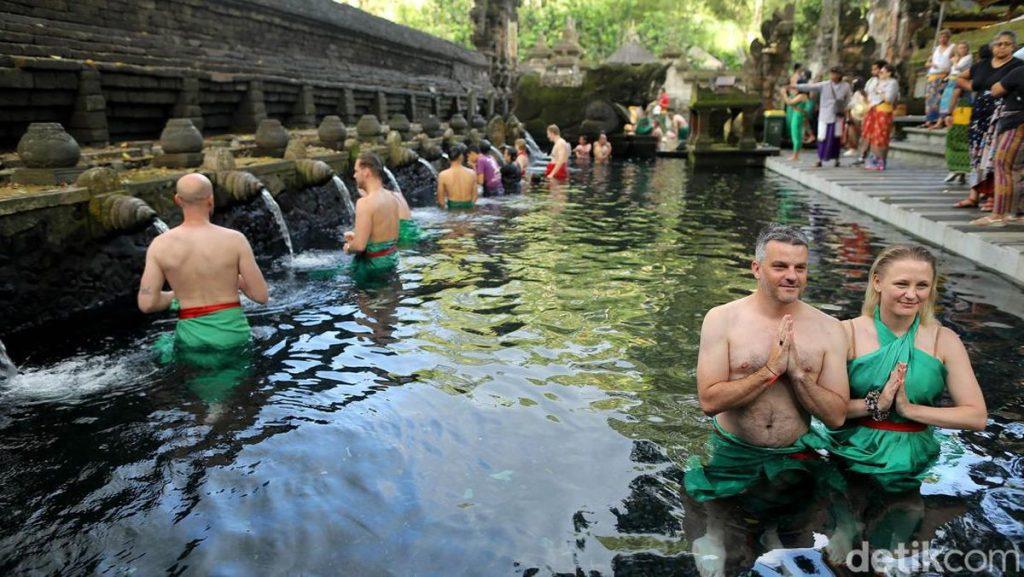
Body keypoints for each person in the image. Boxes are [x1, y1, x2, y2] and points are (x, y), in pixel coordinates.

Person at [828, 245, 986, 493]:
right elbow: (827, 410)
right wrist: (876, 404)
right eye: (902, 284)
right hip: (851, 451)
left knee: (905, 517)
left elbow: (976, 417)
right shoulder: (846, 333)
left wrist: (909, 409)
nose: (912, 295)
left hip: (916, 458)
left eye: (921, 286)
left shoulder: (944, 340)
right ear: (877, 282)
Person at [138, 173, 269, 369]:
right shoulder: (234, 239)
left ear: (177, 200)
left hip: (192, 339)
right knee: (239, 392)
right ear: (211, 199)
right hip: (232, 335)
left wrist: (178, 295)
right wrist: (233, 278)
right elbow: (260, 296)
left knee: (198, 390)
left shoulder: (160, 245)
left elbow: (147, 304)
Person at [954, 30, 1022, 210]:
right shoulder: (982, 65)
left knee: (993, 154)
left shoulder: (1016, 66)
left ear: (1013, 47)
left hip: (1000, 113)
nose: (1001, 47)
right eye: (998, 44)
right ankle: (973, 195)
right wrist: (972, 87)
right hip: (979, 113)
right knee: (976, 154)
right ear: (992, 47)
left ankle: (992, 196)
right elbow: (960, 77)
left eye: (1007, 44)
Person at [973, 61, 1024, 225]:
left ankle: (998, 214)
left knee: (1002, 166)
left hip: (1016, 123)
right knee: (1016, 169)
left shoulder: (1019, 72)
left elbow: (996, 90)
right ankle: (1014, 213)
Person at [344, 151, 400, 284]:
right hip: (392, 260)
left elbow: (359, 247)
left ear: (366, 172)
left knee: (368, 303)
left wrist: (348, 247)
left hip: (372, 267)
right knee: (389, 301)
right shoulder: (392, 198)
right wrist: (357, 236)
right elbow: (392, 237)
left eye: (356, 171)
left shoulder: (364, 203)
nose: (354, 175)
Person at [795, 66, 852, 167]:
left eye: (834, 74)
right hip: (825, 115)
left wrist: (846, 108)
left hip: (838, 115)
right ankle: (820, 159)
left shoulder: (846, 86)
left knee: (836, 138)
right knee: (822, 137)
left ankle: (836, 159)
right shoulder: (825, 85)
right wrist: (796, 86)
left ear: (839, 75)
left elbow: (848, 100)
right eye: (831, 74)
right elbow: (811, 86)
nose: (832, 76)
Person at [943, 42, 977, 185]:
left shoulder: (962, 82)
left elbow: (955, 95)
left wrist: (948, 113)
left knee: (954, 142)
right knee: (967, 143)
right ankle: (962, 172)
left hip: (961, 113)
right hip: (974, 113)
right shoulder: (978, 81)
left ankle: (955, 170)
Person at [861, 64, 900, 171]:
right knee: (872, 135)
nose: (880, 74)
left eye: (882, 72)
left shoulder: (892, 83)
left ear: (889, 73)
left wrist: (879, 91)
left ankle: (881, 160)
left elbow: (889, 98)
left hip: (884, 110)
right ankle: (874, 159)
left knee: (881, 136)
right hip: (874, 109)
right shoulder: (876, 81)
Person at [923, 29, 955, 129]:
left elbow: (955, 61)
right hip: (933, 75)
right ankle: (929, 120)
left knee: (941, 99)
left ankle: (939, 120)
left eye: (944, 37)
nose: (942, 39)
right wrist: (932, 64)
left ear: (948, 38)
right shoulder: (936, 49)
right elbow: (927, 63)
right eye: (941, 37)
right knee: (930, 99)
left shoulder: (952, 48)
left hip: (944, 75)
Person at [939, 42, 973, 127]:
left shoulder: (968, 57)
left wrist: (954, 61)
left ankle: (949, 115)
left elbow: (959, 67)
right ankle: (941, 120)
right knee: (945, 98)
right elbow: (953, 70)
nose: (962, 50)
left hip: (961, 79)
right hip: (952, 79)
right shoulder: (958, 58)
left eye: (964, 48)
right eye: (960, 48)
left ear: (967, 49)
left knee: (956, 95)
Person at [437, 143, 477, 209]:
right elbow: (475, 195)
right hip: (468, 205)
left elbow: (441, 200)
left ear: (449, 159)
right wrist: (470, 206)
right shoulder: (472, 173)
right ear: (461, 157)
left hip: (452, 206)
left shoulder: (442, 175)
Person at [780, 84, 814, 161]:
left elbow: (790, 102)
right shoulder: (802, 96)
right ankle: (795, 154)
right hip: (797, 115)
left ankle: (795, 156)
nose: (793, 90)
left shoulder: (802, 96)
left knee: (796, 135)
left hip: (798, 116)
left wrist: (784, 94)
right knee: (796, 134)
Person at [844, 77, 869, 156]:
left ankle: (854, 148)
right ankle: (862, 149)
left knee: (853, 132)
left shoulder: (857, 94)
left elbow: (851, 104)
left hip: (856, 114)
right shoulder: (866, 93)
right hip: (864, 114)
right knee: (862, 133)